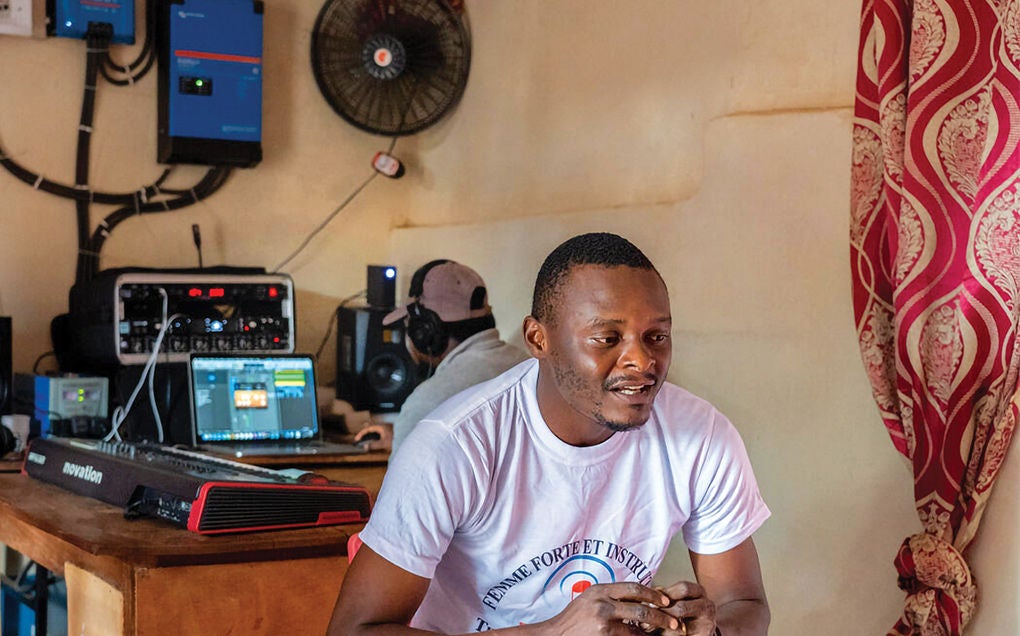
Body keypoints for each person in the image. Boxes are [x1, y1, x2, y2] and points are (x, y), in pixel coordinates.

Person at [330, 233, 770, 635]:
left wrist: (711, 632)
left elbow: (745, 604)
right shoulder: (455, 445)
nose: (641, 360)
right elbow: (352, 631)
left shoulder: (702, 437)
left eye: (657, 336)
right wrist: (552, 632)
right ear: (538, 339)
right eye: (607, 338)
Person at [354, 259, 530, 455]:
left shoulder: (427, 403)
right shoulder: (530, 368)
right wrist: (401, 435)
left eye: (409, 324)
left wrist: (410, 434)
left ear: (425, 331)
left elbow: (407, 476)